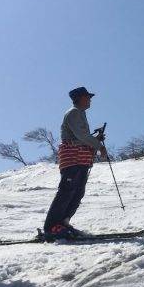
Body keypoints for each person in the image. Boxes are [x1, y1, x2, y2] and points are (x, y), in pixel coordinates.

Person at [43, 87, 108, 240]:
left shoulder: (80, 114)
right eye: (87, 97)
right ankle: (51, 227)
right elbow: (81, 135)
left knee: (78, 191)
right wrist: (99, 145)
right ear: (79, 98)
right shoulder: (73, 113)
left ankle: (63, 222)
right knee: (67, 191)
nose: (90, 100)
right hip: (72, 157)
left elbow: (82, 137)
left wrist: (95, 141)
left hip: (81, 158)